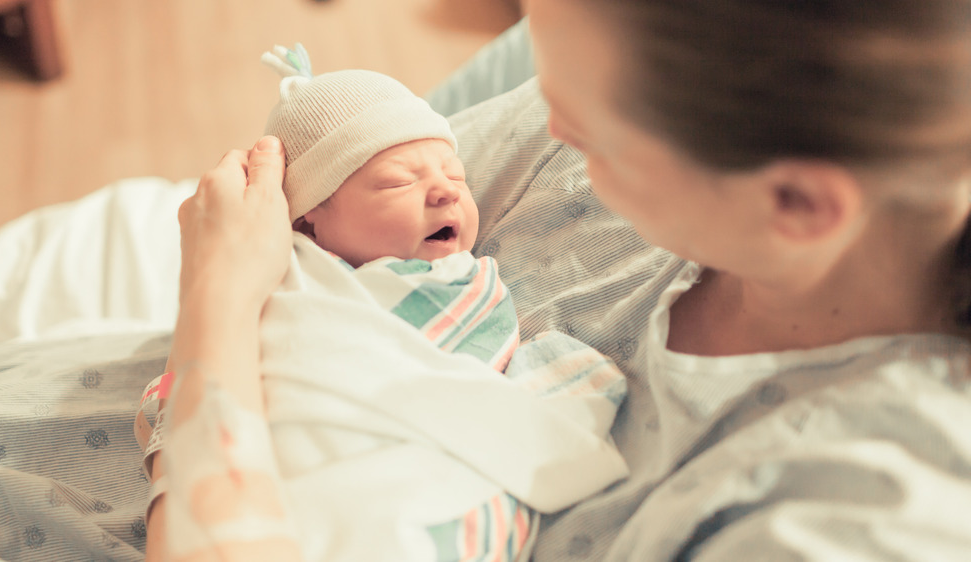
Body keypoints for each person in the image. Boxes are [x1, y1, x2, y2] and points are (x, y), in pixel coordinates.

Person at [150, 0, 971, 560]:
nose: (547, 124)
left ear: (795, 202)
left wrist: (216, 300)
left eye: (591, 131)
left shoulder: (845, 512)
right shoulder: (624, 121)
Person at [141, 45, 628, 561]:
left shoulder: (460, 283)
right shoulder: (295, 281)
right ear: (308, 224)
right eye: (399, 181)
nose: (445, 190)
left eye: (456, 175)